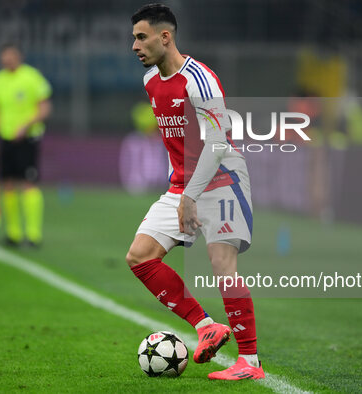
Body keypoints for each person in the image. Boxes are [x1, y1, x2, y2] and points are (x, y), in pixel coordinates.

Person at [127, 4, 264, 380]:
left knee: (223, 266)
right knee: (140, 257)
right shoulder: (150, 81)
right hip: (181, 185)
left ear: (164, 36)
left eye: (141, 37)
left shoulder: (200, 79)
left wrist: (191, 197)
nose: (134, 46)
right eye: (134, 38)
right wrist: (181, 191)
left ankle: (249, 364)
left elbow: (218, 142)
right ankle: (205, 326)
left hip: (222, 180)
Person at [0, 44, 52, 247]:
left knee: (28, 183)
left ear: (19, 57)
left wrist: (27, 125)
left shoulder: (32, 77)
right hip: (6, 139)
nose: (8, 60)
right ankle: (13, 234)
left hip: (27, 139)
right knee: (6, 183)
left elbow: (44, 108)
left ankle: (33, 235)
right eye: (4, 56)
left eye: (11, 56)